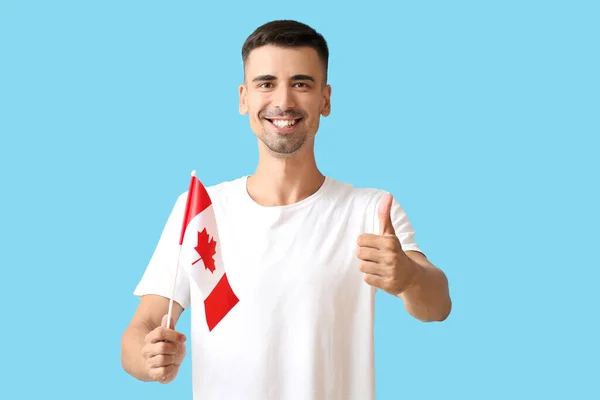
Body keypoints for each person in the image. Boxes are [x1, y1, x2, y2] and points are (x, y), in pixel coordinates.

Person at [120, 19, 451, 399]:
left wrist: (408, 277)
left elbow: (437, 306)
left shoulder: (370, 211)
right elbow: (140, 328)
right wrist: (147, 357)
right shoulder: (199, 212)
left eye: (301, 83)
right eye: (266, 83)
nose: (284, 101)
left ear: (325, 99)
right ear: (244, 97)